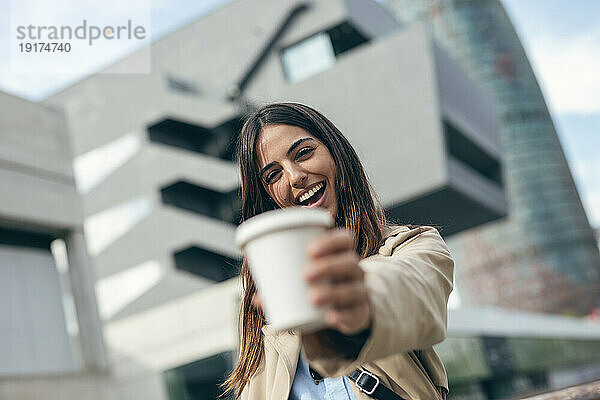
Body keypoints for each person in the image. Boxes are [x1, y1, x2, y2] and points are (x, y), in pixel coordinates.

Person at [221, 102, 454, 400]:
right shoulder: (261, 312)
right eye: (273, 175)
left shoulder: (413, 246)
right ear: (268, 199)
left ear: (336, 154)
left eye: (303, 153)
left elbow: (414, 291)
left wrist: (358, 299)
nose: (294, 177)